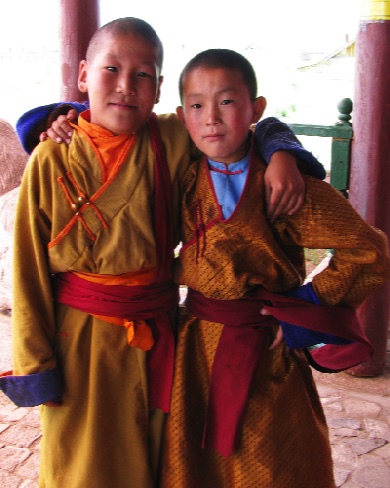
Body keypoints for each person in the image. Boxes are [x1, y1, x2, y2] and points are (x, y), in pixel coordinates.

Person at [0, 19, 326, 488]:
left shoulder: (172, 138)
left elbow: (237, 125)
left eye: (144, 75)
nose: (126, 87)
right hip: (79, 343)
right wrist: (36, 365)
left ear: (157, 91)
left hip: (158, 335)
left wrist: (281, 150)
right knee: (81, 466)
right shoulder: (54, 156)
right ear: (83, 75)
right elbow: (28, 271)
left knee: (153, 462)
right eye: (111, 69)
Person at [158, 48, 390, 488]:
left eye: (227, 101)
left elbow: (369, 249)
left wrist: (304, 309)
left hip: (265, 348)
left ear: (255, 109)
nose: (211, 118)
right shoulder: (183, 175)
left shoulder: (280, 184)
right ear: (181, 115)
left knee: (272, 461)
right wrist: (59, 118)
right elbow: (119, 125)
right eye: (196, 105)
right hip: (193, 350)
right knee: (192, 461)